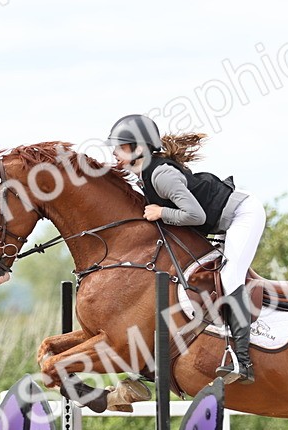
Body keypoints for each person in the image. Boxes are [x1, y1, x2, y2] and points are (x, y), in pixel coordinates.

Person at [106, 114, 264, 384]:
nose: (114, 153)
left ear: (139, 148)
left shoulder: (161, 175)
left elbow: (196, 216)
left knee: (229, 277)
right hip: (219, 219)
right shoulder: (143, 176)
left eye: (120, 147)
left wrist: (161, 212)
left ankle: (242, 360)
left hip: (242, 214)